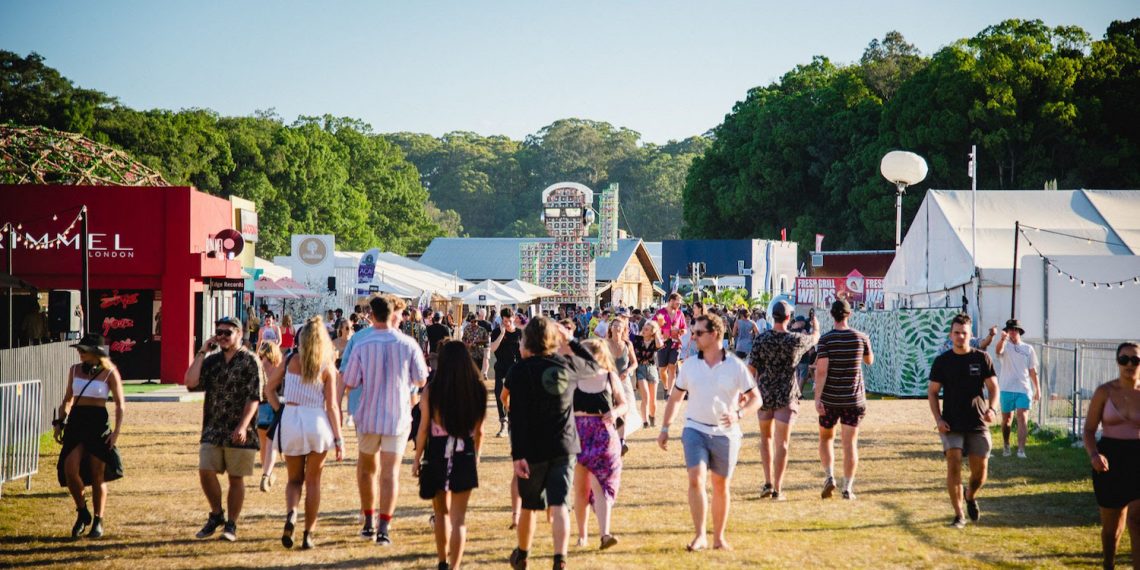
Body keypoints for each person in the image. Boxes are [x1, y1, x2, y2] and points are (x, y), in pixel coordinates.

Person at [657, 314, 761, 552]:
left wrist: (738, 414)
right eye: (693, 332)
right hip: (694, 428)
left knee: (720, 485)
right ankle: (700, 535)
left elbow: (756, 399)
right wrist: (665, 428)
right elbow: (675, 398)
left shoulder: (735, 365)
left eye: (698, 333)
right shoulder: (689, 365)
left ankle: (718, 538)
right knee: (696, 478)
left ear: (714, 335)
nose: (693, 337)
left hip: (726, 433)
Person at [505, 317, 596, 570]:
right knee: (560, 506)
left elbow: (517, 416)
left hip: (531, 448)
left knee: (529, 507)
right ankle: (560, 559)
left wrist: (517, 455)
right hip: (563, 445)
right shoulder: (565, 364)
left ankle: (523, 555)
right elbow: (594, 365)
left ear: (527, 341)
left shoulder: (519, 371)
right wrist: (571, 339)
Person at [341, 294, 429, 546]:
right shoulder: (408, 344)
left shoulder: (362, 344)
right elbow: (421, 379)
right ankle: (384, 527)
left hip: (368, 415)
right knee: (390, 474)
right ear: (392, 314)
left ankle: (369, 521)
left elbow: (350, 381)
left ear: (371, 315)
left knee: (367, 470)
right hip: (397, 417)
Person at [265, 317, 345, 549]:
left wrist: (280, 410)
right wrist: (339, 438)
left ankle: (292, 513)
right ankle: (308, 533)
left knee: (293, 480)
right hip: (317, 421)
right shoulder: (327, 367)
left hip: (291, 419)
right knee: (313, 482)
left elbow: (269, 389)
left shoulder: (290, 360)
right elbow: (332, 406)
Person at [185, 316, 265, 542]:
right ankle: (216, 514)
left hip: (240, 431)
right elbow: (190, 382)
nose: (221, 337)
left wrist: (243, 426)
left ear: (239, 334)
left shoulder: (250, 361)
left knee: (235, 479)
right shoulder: (212, 361)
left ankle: (231, 524)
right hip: (213, 427)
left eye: (227, 333)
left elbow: (254, 397)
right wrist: (202, 352)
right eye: (218, 332)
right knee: (205, 470)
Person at [413, 341, 488, 570]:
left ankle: (442, 562)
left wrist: (416, 459)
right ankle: (454, 566)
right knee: (459, 519)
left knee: (441, 513)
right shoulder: (477, 389)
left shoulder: (433, 390)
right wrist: (476, 456)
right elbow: (480, 431)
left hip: (437, 451)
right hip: (464, 451)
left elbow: (423, 428)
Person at [927, 313, 999, 529]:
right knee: (954, 462)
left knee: (980, 473)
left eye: (964, 333)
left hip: (977, 422)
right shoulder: (942, 361)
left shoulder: (982, 358)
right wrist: (939, 419)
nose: (960, 337)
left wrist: (992, 409)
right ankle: (959, 515)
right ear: (951, 335)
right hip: (951, 423)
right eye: (956, 333)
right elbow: (932, 392)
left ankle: (970, 495)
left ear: (970, 335)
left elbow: (994, 387)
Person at [53, 334, 125, 539]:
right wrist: (60, 422)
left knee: (97, 474)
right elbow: (68, 399)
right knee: (70, 469)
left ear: (96, 352)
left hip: (97, 424)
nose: (80, 352)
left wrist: (116, 433)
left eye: (83, 349)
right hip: (76, 423)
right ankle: (82, 511)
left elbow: (120, 404)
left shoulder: (109, 372)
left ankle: (98, 520)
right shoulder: (74, 369)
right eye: (79, 349)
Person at [746, 300, 819, 500]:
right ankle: (778, 488)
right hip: (787, 394)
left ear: (773, 316)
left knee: (766, 439)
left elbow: (750, 370)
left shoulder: (761, 340)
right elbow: (815, 338)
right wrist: (816, 326)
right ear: (789, 317)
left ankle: (768, 482)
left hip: (765, 393)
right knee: (782, 443)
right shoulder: (795, 340)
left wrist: (748, 392)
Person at [1083, 341, 1140, 569]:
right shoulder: (1104, 392)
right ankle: (1109, 564)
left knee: (1137, 520)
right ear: (1117, 362)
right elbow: (1089, 430)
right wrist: (1094, 455)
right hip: (1110, 460)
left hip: (1138, 458)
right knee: (1111, 529)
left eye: (1135, 360)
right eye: (1124, 359)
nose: (1129, 364)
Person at [814, 299, 873, 500]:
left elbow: (822, 371)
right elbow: (869, 360)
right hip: (853, 399)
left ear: (832, 315)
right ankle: (847, 488)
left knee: (826, 438)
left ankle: (829, 476)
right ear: (849, 314)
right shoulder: (861, 337)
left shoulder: (826, 340)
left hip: (830, 399)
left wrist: (817, 398)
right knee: (850, 444)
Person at [573, 339, 629, 550]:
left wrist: (614, 412)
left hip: (603, 435)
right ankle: (582, 536)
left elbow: (623, 404)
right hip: (577, 435)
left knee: (600, 485)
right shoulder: (573, 377)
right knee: (581, 489)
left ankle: (605, 534)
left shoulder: (609, 376)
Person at [995, 318, 1040, 458]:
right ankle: (1006, 445)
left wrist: (1037, 389)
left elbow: (1032, 370)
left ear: (1019, 331)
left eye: (1015, 329)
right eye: (1010, 329)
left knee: (1022, 417)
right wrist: (1002, 339)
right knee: (1007, 419)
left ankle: (1021, 449)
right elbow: (998, 351)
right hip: (1006, 387)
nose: (1013, 332)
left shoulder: (1028, 348)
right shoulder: (1005, 345)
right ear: (1007, 331)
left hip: (1023, 388)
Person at [604, 316, 639, 454]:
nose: (617, 328)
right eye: (615, 325)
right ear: (610, 328)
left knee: (624, 409)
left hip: (623, 381)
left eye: (620, 326)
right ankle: (611, 439)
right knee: (610, 409)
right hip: (608, 381)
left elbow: (634, 363)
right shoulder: (604, 343)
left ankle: (622, 441)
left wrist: (628, 371)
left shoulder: (628, 345)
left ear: (624, 329)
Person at [490, 308, 523, 438]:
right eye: (505, 321)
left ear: (513, 318)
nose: (508, 323)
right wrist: (502, 334)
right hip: (501, 368)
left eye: (510, 321)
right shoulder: (496, 332)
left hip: (515, 368)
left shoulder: (519, 333)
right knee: (499, 392)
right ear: (501, 320)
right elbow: (493, 348)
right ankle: (503, 421)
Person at [256, 342, 284, 492]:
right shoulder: (280, 368)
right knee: (271, 444)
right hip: (275, 405)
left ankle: (266, 473)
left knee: (264, 444)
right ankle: (267, 474)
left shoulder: (260, 366)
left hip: (262, 406)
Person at [655, 294, 687, 397]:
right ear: (671, 301)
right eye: (677, 303)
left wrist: (681, 331)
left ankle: (669, 393)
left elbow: (684, 328)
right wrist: (664, 332)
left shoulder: (680, 313)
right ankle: (665, 386)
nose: (679, 305)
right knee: (662, 370)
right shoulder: (660, 313)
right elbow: (654, 327)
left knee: (672, 367)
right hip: (663, 343)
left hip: (675, 343)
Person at [633, 320, 663, 427]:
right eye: (644, 328)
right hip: (640, 369)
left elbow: (660, 345)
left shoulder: (655, 341)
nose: (644, 330)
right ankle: (645, 422)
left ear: (652, 332)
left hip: (652, 369)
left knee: (653, 401)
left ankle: (652, 417)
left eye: (647, 329)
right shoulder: (637, 339)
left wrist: (656, 334)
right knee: (645, 397)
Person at [461, 314, 490, 378]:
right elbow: (463, 339)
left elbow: (487, 340)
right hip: (470, 353)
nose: (474, 323)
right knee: (471, 371)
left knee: (478, 371)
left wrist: (479, 341)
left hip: (480, 353)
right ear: (470, 322)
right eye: (472, 322)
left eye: (475, 321)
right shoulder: (466, 329)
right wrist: (467, 344)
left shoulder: (482, 330)